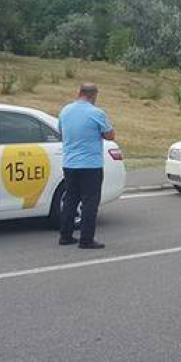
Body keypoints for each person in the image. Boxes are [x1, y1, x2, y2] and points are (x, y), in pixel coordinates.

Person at [57, 83, 115, 249]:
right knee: (90, 202)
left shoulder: (65, 111)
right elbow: (110, 135)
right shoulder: (96, 113)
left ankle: (65, 236)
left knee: (70, 200)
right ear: (93, 95)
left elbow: (61, 132)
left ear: (79, 93)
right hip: (90, 165)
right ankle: (86, 239)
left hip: (69, 163)